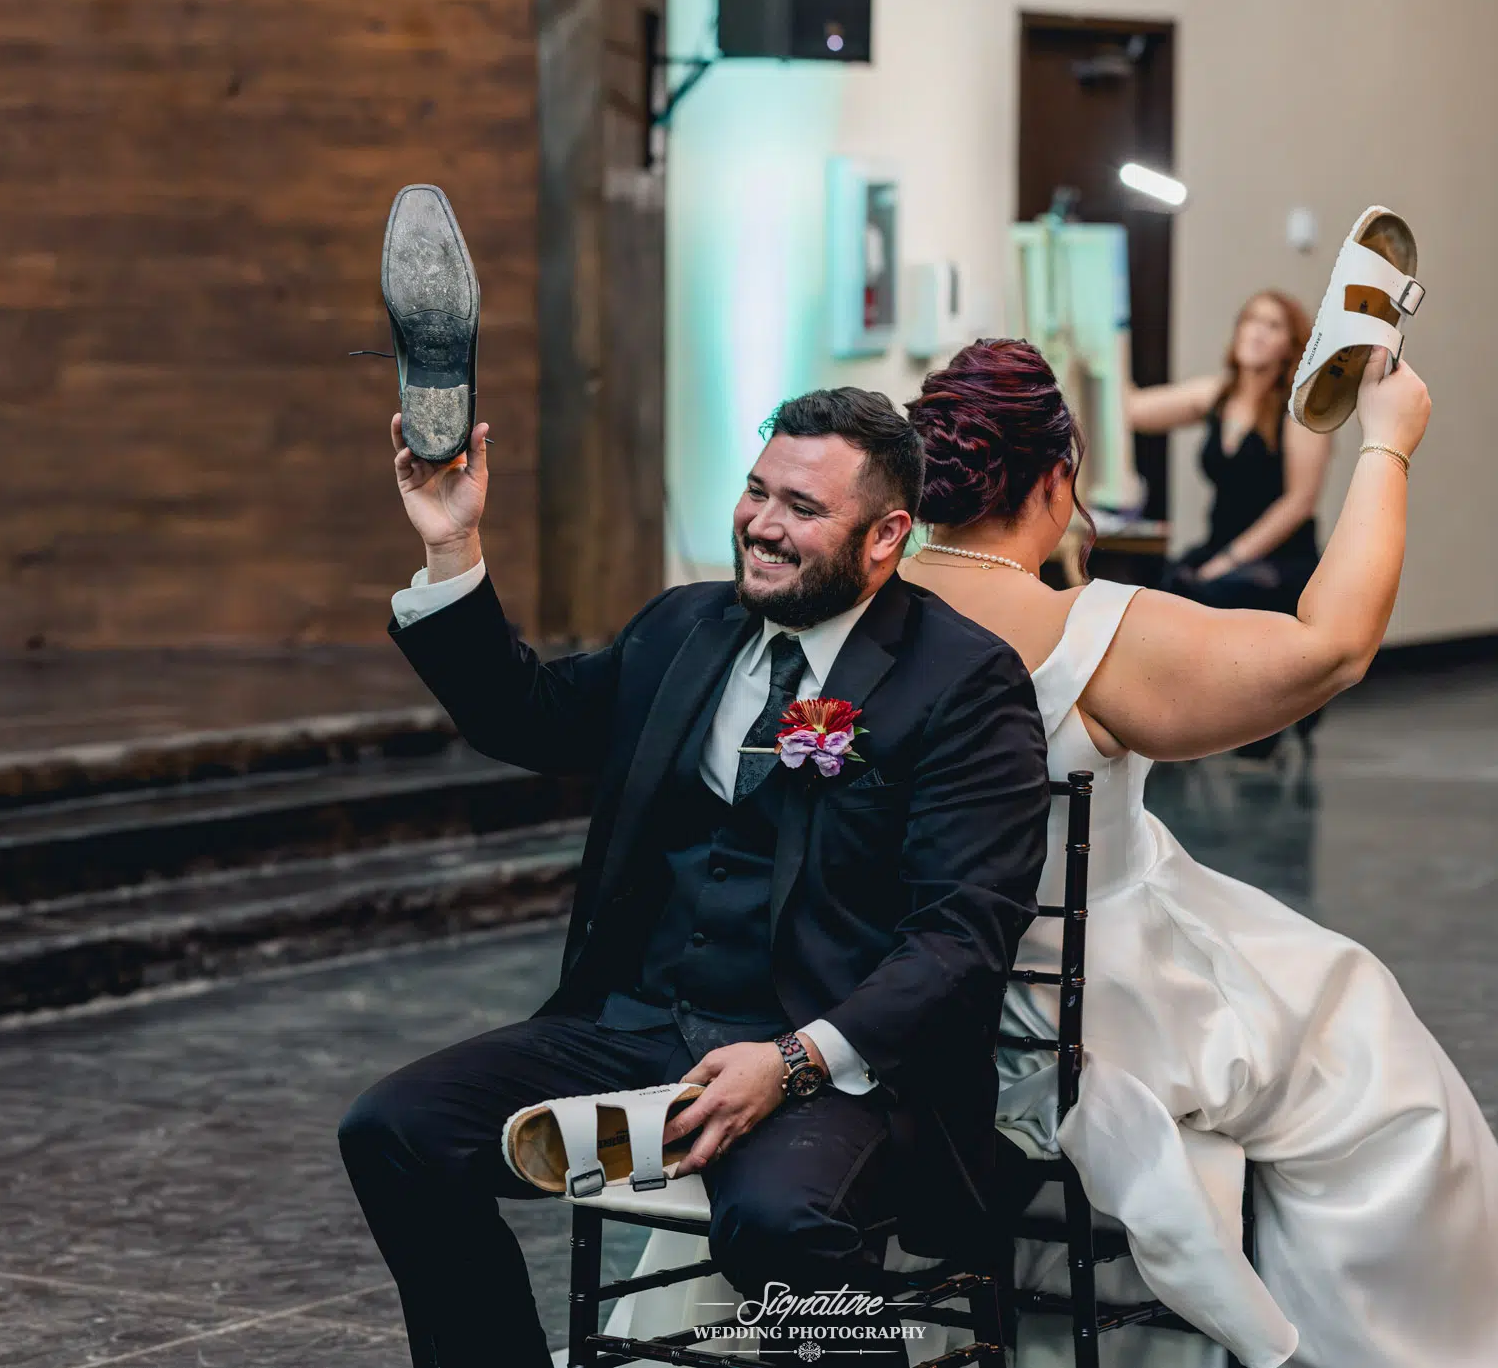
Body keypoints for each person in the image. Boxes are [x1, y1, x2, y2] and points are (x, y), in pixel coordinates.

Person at [601, 338, 1498, 1368]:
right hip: (1069, 1001)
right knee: (1359, 1032)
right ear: (1057, 481)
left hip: (835, 986)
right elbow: (1334, 646)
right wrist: (1388, 445)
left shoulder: (837, 605)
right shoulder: (1086, 635)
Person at [335, 384, 1052, 1368]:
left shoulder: (961, 681)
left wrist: (795, 1058)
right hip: (643, 1032)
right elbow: (531, 718)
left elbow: (962, 937)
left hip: (838, 1071)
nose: (761, 524)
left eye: (801, 508)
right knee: (395, 1132)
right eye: (757, 492)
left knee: (779, 1225)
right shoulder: (688, 630)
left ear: (886, 536)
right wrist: (452, 545)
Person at [1124, 290, 1326, 614]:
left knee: (1202, 597)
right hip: (1218, 547)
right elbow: (1133, 411)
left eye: (1272, 326)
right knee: (1160, 596)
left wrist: (1228, 561)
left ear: (1289, 347)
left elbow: (1299, 504)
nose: (1257, 331)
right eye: (1251, 320)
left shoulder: (1299, 411)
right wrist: (1109, 344)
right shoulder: (1218, 396)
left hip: (1276, 560)